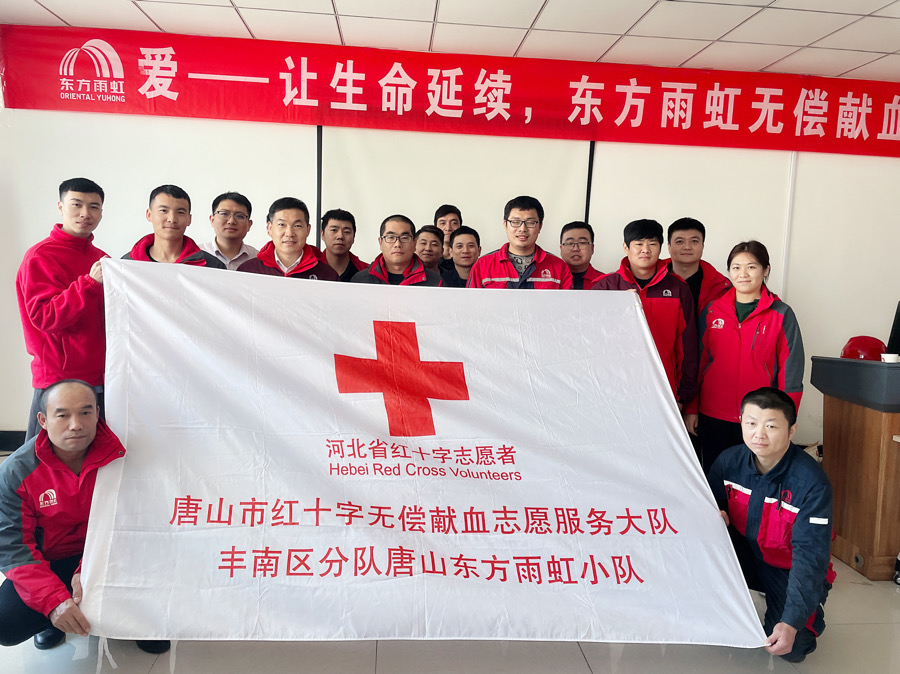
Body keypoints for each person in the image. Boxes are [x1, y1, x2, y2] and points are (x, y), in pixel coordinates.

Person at [0, 380, 169, 655]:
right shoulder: (16, 471)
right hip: (51, 561)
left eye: (85, 412)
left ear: (97, 414)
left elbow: (140, 520)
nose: (76, 424)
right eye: (63, 415)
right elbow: (12, 548)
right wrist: (52, 600)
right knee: (6, 623)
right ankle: (52, 619)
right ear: (43, 420)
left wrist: (88, 568)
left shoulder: (122, 454)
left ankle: (132, 621)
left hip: (112, 555)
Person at [708, 387, 834, 664]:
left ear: (791, 431)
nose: (759, 434)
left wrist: (790, 622)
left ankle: (805, 605)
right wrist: (713, 515)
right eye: (751, 423)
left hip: (786, 565)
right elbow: (706, 506)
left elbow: (810, 556)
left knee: (793, 647)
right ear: (740, 422)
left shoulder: (811, 484)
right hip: (744, 554)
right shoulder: (729, 462)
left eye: (771, 426)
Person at [685, 240, 804, 473]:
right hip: (713, 413)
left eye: (751, 267)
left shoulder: (781, 314)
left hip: (761, 418)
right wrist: (692, 408)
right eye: (736, 267)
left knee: (756, 478)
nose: (743, 274)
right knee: (714, 477)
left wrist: (786, 418)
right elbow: (698, 362)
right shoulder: (712, 311)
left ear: (765, 270)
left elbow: (791, 370)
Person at [16, 178, 108, 441]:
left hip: (98, 375)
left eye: (93, 207)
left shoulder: (101, 259)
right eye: (76, 204)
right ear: (60, 207)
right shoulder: (40, 256)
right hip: (58, 377)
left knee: (94, 452)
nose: (85, 213)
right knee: (44, 456)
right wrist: (89, 284)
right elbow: (45, 317)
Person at [592, 219, 698, 409]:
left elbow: (686, 346)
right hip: (614, 389)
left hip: (663, 390)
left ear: (661, 247)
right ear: (626, 247)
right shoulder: (605, 287)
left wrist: (683, 396)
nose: (645, 250)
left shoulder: (678, 288)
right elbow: (592, 339)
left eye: (652, 244)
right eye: (639, 244)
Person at [467, 196, 572, 289]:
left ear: (540, 226)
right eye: (515, 222)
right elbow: (470, 303)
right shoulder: (482, 266)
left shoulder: (559, 267)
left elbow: (569, 305)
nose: (522, 229)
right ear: (505, 225)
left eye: (530, 222)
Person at [124, 185, 225, 268]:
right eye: (164, 211)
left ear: (189, 219)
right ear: (149, 215)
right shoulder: (127, 265)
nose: (172, 219)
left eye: (180, 212)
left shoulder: (212, 266)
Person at [237, 197, 339, 280]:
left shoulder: (327, 275)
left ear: (308, 230)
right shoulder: (248, 271)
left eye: (297, 226)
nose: (289, 233)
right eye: (282, 224)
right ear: (270, 228)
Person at [663, 217, 730, 317]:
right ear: (669, 247)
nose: (687, 247)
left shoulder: (721, 286)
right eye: (680, 241)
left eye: (694, 241)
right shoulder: (652, 279)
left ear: (702, 246)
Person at [352, 215, 441, 286]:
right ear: (381, 243)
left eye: (404, 238)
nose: (397, 244)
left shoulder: (435, 282)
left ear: (414, 244)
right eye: (391, 237)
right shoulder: (360, 281)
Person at [199, 191, 259, 270]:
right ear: (212, 220)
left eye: (239, 216)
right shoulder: (195, 255)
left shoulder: (258, 260)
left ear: (249, 224)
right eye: (224, 214)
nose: (231, 221)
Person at [320, 208, 367, 281]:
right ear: (322, 234)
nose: (340, 236)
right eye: (334, 230)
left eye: (347, 232)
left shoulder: (367, 274)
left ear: (353, 237)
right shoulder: (311, 270)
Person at [559, 221, 604, 289]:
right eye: (570, 243)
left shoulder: (605, 282)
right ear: (561, 249)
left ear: (592, 248)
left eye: (582, 243)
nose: (576, 249)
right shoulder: (551, 280)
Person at [434, 204, 462, 271]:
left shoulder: (467, 256)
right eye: (443, 223)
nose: (448, 228)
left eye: (454, 223)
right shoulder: (429, 256)